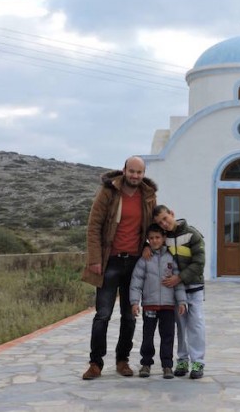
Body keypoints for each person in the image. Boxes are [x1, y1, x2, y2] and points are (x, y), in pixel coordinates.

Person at [81, 156, 157, 380]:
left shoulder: (148, 195)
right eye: (131, 171)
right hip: (109, 261)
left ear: (143, 174)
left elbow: (152, 226)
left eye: (139, 172)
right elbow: (94, 225)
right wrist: (95, 258)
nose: (135, 176)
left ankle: (122, 360)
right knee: (102, 314)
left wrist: (145, 246)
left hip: (134, 263)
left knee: (129, 316)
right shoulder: (109, 192)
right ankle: (96, 363)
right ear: (124, 170)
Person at [152, 204, 206, 379]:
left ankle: (197, 362)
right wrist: (146, 247)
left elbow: (199, 264)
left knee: (196, 324)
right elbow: (153, 245)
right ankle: (182, 360)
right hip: (175, 292)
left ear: (172, 214)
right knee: (180, 326)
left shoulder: (192, 234)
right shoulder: (164, 238)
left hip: (194, 288)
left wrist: (179, 278)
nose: (164, 224)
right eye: (160, 222)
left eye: (165, 219)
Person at [130, 223, 187, 379]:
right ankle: (146, 364)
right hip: (150, 305)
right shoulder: (145, 259)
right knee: (148, 335)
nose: (154, 241)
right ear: (148, 240)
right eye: (151, 238)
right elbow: (136, 282)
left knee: (168, 336)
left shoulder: (171, 258)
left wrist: (182, 301)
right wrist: (135, 302)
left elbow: (178, 283)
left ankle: (167, 366)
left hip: (168, 306)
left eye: (157, 237)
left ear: (163, 238)